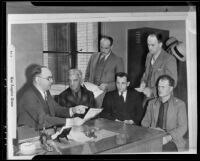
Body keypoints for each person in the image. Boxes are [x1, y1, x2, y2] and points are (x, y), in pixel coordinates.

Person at [17, 65, 87, 130]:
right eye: (48, 78)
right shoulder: (28, 95)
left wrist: (73, 110)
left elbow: (56, 109)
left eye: (51, 78)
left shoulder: (46, 91)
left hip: (45, 132)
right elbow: (43, 119)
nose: (52, 81)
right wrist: (71, 121)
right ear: (38, 80)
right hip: (29, 137)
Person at [141, 75, 187, 151]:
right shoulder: (151, 103)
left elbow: (183, 127)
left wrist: (168, 137)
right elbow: (144, 122)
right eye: (158, 86)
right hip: (153, 136)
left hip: (172, 139)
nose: (159, 89)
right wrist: (152, 130)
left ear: (171, 88)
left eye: (163, 87)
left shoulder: (179, 104)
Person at [85, 35, 124, 107]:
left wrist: (108, 86)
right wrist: (86, 84)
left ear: (111, 47)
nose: (103, 50)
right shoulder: (93, 56)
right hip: (90, 93)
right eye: (101, 47)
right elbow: (87, 74)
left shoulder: (118, 60)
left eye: (106, 48)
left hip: (106, 94)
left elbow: (121, 82)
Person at [138, 32, 177, 104]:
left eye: (153, 45)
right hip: (148, 99)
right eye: (148, 45)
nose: (150, 48)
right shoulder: (149, 56)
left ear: (160, 44)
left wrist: (152, 91)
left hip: (163, 100)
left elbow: (172, 83)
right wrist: (143, 82)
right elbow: (146, 74)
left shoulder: (169, 59)